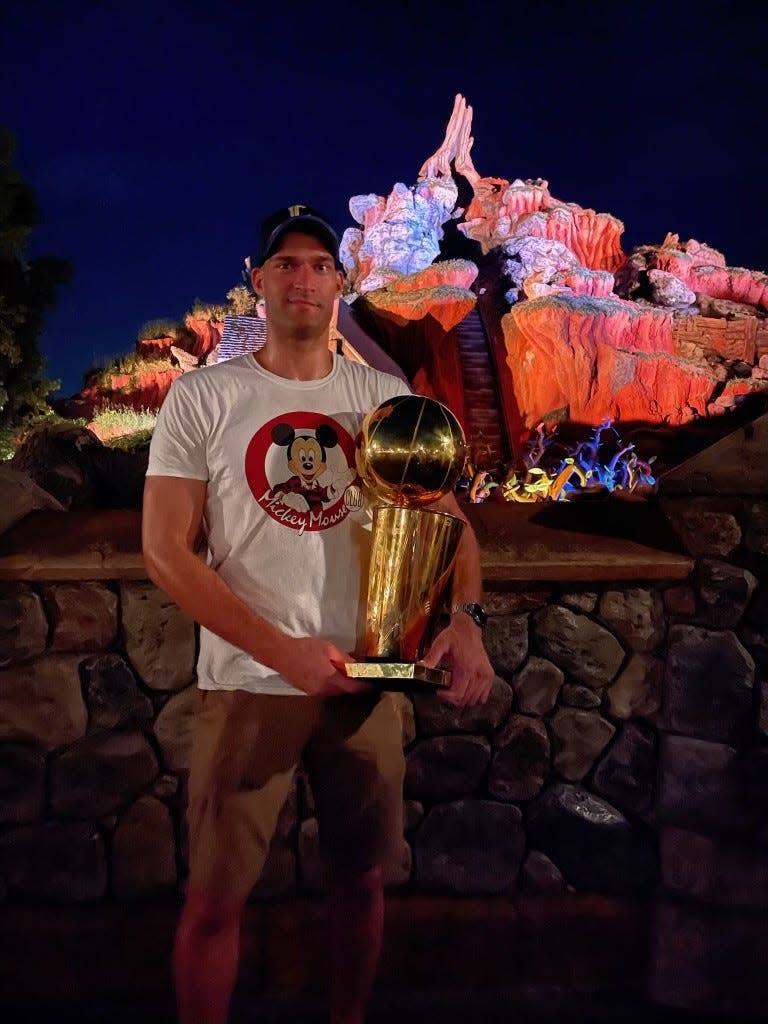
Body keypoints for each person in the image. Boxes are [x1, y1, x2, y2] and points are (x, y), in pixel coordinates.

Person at [142, 204, 494, 1024]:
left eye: (319, 264)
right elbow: (165, 552)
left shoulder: (384, 396)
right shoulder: (205, 397)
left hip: (369, 680)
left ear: (341, 282)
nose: (303, 278)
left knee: (360, 877)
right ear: (259, 280)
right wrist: (281, 650)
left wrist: (467, 619)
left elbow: (450, 526)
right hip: (248, 684)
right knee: (215, 898)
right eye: (286, 264)